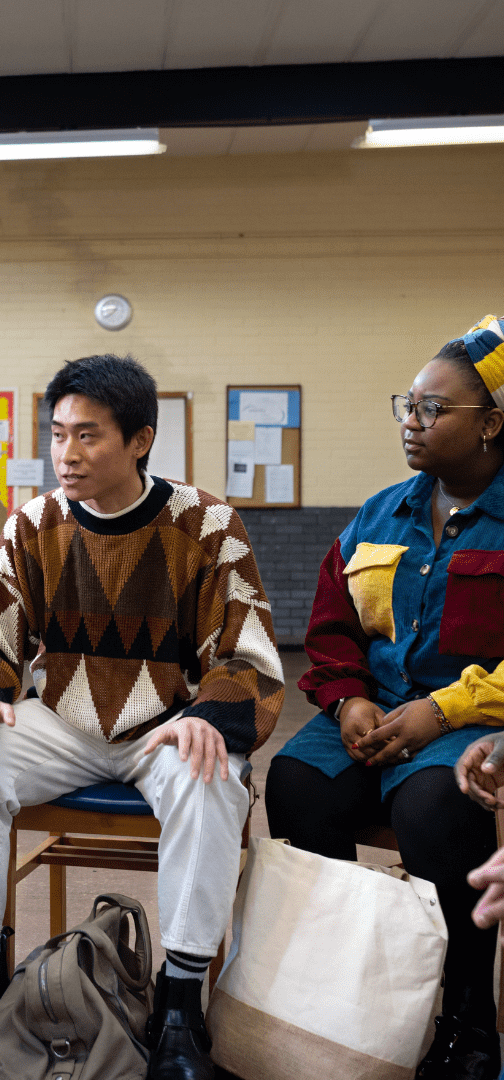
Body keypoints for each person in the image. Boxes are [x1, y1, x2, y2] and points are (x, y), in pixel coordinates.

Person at [0, 354, 284, 1078]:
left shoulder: (207, 521)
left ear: (140, 439)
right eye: (58, 434)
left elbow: (244, 654)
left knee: (212, 772)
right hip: (60, 722)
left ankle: (180, 1006)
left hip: (167, 725)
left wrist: (209, 719)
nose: (67, 454)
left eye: (88, 435)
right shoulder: (33, 523)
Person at [266, 315, 504, 1080]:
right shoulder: (379, 515)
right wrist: (345, 703)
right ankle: (343, 996)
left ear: (492, 424)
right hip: (374, 713)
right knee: (297, 782)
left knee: (436, 808)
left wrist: (443, 710)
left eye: (434, 410)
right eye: (408, 404)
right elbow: (332, 630)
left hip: (471, 723)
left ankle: (467, 1016)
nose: (413, 421)